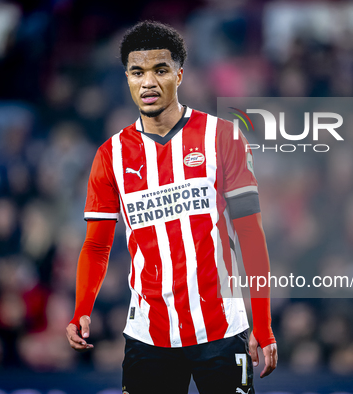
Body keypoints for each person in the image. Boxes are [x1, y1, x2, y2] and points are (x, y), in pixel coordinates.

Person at [65, 20, 277, 393]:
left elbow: (250, 235)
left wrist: (262, 323)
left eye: (160, 70)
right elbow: (97, 246)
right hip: (148, 334)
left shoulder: (223, 137)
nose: (148, 82)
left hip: (223, 329)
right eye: (137, 72)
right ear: (127, 79)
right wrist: (82, 308)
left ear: (179, 75)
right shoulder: (109, 156)